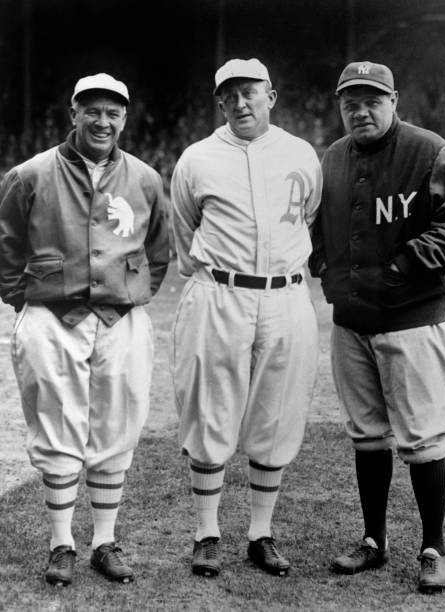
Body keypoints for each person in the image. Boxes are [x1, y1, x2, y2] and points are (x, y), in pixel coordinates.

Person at [309, 61, 445, 593]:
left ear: (394, 100)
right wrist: (319, 264)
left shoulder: (429, 151)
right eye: (350, 102)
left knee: (425, 438)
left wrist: (403, 265)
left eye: (372, 100)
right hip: (352, 321)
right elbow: (316, 231)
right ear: (340, 106)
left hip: (412, 320)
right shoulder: (333, 158)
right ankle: (373, 541)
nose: (360, 110)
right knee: (366, 433)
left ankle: (433, 547)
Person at [0, 73, 170, 586]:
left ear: (125, 117)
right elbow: (6, 247)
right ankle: (61, 543)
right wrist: (26, 300)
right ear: (73, 112)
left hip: (121, 317)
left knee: (118, 424)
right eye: (91, 110)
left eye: (113, 112)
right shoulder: (30, 173)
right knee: (55, 425)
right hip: (52, 316)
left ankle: (103, 541)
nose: (102, 121)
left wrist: (131, 290)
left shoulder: (144, 177)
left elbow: (158, 252)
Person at [170, 58, 322, 578]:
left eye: (250, 92)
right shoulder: (197, 158)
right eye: (229, 95)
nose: (240, 103)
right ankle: (206, 534)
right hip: (219, 293)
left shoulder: (301, 154)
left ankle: (261, 533)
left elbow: (310, 216)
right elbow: (184, 232)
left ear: (271, 96)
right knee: (211, 412)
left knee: (275, 415)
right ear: (219, 102)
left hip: (286, 295)